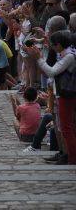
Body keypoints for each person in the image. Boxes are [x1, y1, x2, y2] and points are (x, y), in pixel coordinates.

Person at [26, 30, 76, 164]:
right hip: (61, 92)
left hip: (66, 94)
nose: (52, 48)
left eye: (53, 45)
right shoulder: (65, 54)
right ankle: (66, 154)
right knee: (64, 126)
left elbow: (52, 72)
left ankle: (72, 158)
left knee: (66, 128)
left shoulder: (69, 56)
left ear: (59, 44)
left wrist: (39, 58)